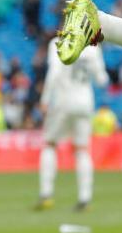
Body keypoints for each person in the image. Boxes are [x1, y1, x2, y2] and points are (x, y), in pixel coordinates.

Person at [35, 36, 108, 212]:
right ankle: (85, 198)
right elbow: (102, 80)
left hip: (62, 101)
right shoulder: (92, 48)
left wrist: (45, 99)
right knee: (82, 149)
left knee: (50, 144)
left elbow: (53, 72)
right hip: (84, 103)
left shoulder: (58, 43)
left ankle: (46, 195)